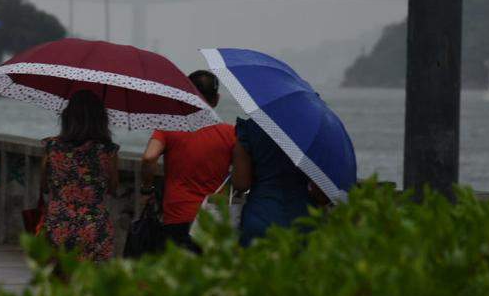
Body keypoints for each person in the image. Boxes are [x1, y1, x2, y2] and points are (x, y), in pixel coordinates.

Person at [139, 70, 236, 252]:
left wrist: (146, 188)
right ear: (216, 99)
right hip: (211, 220)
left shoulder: (169, 126)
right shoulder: (230, 133)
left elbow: (149, 157)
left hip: (176, 216)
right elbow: (241, 176)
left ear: (185, 96)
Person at [39, 89, 119, 262]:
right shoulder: (108, 150)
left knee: (60, 277)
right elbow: (112, 187)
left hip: (59, 221)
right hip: (94, 223)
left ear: (68, 117)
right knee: (93, 280)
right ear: (101, 119)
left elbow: (44, 186)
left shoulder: (51, 146)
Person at [231, 116, 312, 246]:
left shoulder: (250, 128)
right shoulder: (311, 130)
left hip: (260, 215)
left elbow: (241, 184)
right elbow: (321, 193)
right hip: (303, 217)